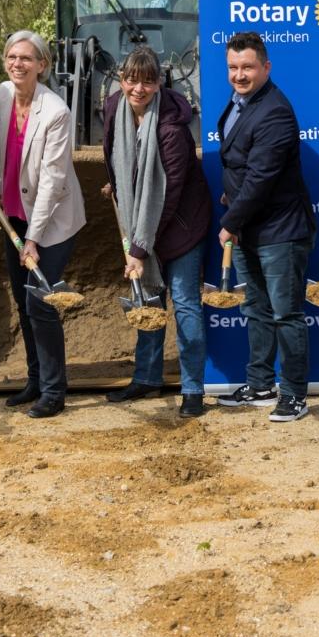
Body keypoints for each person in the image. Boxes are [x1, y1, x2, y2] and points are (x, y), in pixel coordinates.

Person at [100, 47, 213, 417]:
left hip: (181, 225)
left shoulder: (171, 128)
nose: (139, 88)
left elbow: (168, 194)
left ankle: (193, 389)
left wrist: (139, 247)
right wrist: (116, 184)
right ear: (122, 79)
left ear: (158, 84)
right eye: (132, 79)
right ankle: (147, 379)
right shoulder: (115, 108)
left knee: (184, 304)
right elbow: (113, 154)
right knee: (147, 303)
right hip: (142, 225)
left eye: (148, 81)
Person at [0, 31, 85, 418]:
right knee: (24, 302)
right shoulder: (4, 93)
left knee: (39, 302)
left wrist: (33, 239)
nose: (17, 64)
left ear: (42, 65)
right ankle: (36, 379)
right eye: (12, 56)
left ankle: (55, 392)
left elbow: (54, 182)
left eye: (26, 58)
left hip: (51, 221)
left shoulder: (56, 111)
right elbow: (2, 149)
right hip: (13, 211)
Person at [215, 32, 314, 421]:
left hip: (280, 232)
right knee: (256, 308)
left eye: (248, 67)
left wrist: (230, 221)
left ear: (266, 67)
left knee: (285, 314)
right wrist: (232, 200)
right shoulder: (241, 102)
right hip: (251, 227)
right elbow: (240, 165)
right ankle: (259, 385)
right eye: (233, 68)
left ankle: (294, 395)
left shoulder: (274, 110)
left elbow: (262, 177)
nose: (239, 75)